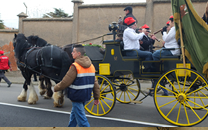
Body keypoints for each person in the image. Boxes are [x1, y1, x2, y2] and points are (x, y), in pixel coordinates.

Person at [53, 44, 100, 127]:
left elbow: (65, 82)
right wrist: (96, 97)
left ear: (78, 54)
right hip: (85, 96)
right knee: (74, 117)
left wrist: (56, 88)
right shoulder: (91, 66)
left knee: (82, 121)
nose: (71, 53)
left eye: (73, 51)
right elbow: (95, 83)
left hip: (76, 96)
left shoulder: (75, 66)